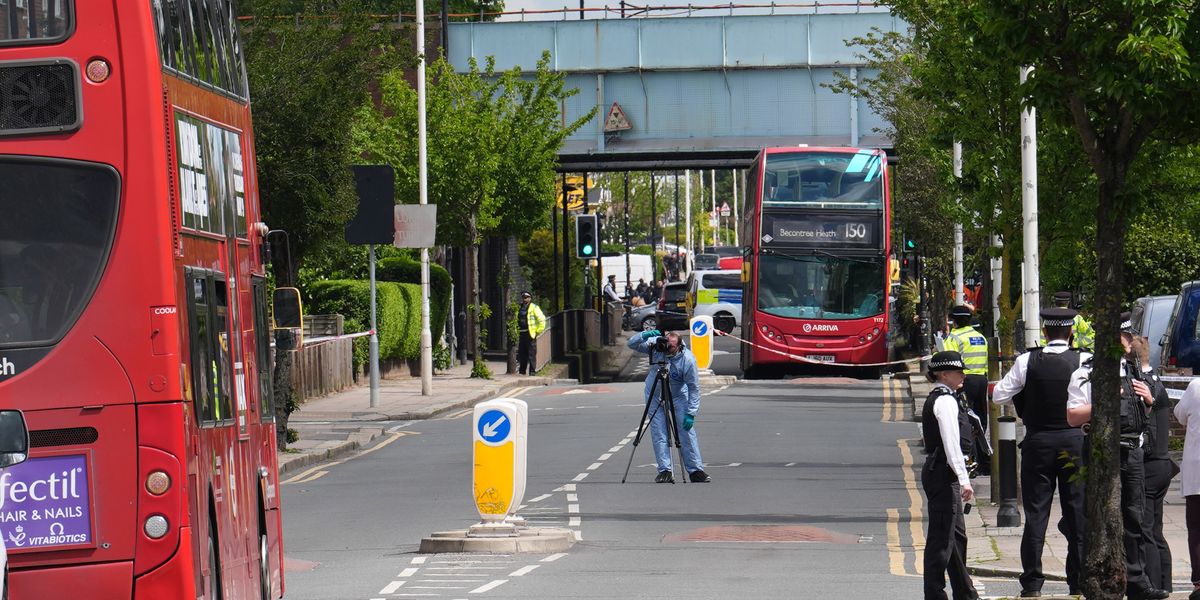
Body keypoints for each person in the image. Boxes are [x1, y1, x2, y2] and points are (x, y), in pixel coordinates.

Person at [1066, 312, 1168, 600]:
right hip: (1103, 452)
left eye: (1128, 336)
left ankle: (1137, 581)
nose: (1128, 341)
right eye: (1123, 337)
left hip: (1133, 450)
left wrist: (1147, 401)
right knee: (1101, 518)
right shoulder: (1087, 371)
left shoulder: (1134, 370)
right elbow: (1073, 416)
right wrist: (1105, 401)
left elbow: (1142, 414)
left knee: (1135, 518)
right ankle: (1101, 580)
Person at [991, 307, 1088, 597]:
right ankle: (1079, 581)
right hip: (1074, 443)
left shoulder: (1026, 360)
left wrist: (1025, 394)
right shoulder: (1084, 359)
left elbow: (999, 396)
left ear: (1044, 332)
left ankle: (1032, 583)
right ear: (1070, 332)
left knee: (1036, 515)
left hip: (1038, 443)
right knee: (1077, 514)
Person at [920, 351, 979, 600]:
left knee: (955, 537)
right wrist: (964, 479)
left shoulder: (949, 397)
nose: (963, 375)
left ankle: (965, 593)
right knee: (941, 540)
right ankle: (934, 593)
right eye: (958, 371)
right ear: (944, 374)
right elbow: (951, 443)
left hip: (944, 472)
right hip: (943, 472)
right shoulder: (944, 400)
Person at [627, 329, 709, 483]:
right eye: (665, 343)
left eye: (670, 347)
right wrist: (644, 335)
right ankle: (665, 470)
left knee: (686, 431)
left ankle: (695, 470)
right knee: (659, 431)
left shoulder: (688, 360)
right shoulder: (656, 345)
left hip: (678, 395)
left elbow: (694, 388)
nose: (666, 348)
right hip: (654, 394)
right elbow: (631, 344)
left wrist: (691, 413)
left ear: (679, 347)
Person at [1136, 333, 1174, 594]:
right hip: (1163, 464)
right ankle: (1165, 583)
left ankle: (1153, 586)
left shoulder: (1144, 384)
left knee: (1146, 529)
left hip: (1150, 465)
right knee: (1156, 530)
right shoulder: (1156, 380)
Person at [1174, 378, 1200, 600]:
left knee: (1197, 530)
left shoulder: (1195, 386)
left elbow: (1180, 415)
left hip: (1197, 471)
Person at [516, 292, 546, 376]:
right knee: (522, 354)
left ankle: (532, 373)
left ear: (530, 298)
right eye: (523, 297)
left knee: (531, 354)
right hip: (521, 333)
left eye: (526, 297)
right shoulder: (519, 307)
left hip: (530, 334)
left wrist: (538, 331)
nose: (524, 299)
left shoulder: (534, 308)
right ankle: (522, 372)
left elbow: (542, 320)